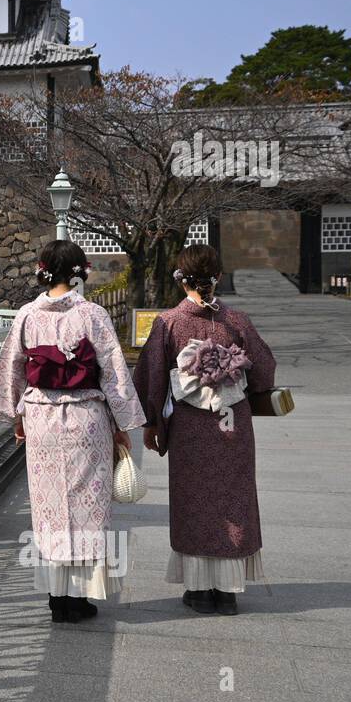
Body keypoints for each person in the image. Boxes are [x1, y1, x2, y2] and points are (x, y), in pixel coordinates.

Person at [0, 239, 146, 623]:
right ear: (80, 272)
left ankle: (57, 595)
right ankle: (81, 594)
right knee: (89, 506)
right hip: (86, 415)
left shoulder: (26, 314)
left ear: (42, 269)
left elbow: (12, 369)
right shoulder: (93, 314)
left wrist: (16, 417)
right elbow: (112, 370)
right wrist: (123, 424)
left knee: (49, 506)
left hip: (42, 416)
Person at [133, 244, 276, 616]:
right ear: (218, 276)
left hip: (190, 429)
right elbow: (263, 371)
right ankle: (227, 591)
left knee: (193, 500)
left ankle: (198, 591)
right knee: (233, 497)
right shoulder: (238, 321)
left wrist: (152, 423)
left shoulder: (169, 323)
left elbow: (150, 379)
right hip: (232, 423)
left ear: (181, 279)